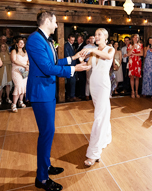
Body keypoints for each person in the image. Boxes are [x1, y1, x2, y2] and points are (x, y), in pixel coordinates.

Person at [27, 11, 90, 191]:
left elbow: (54, 61)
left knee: (49, 132)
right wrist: (74, 69)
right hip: (41, 93)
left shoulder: (44, 39)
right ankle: (42, 179)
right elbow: (47, 68)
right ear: (47, 21)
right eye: (55, 22)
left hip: (48, 91)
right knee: (47, 133)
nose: (56, 25)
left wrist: (73, 58)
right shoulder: (35, 40)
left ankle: (46, 166)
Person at [77, 28, 114, 167]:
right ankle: (106, 137)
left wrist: (91, 50)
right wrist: (79, 62)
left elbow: (109, 58)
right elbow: (88, 66)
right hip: (93, 86)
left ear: (105, 37)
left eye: (99, 34)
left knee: (99, 116)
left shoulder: (110, 49)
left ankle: (93, 153)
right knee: (104, 113)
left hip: (103, 86)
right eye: (95, 34)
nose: (96, 36)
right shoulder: (93, 52)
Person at [10, 38, 28, 112]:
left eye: (23, 43)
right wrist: (24, 65)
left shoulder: (26, 51)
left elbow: (28, 61)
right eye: (20, 43)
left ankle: (21, 101)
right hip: (16, 70)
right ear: (17, 44)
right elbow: (14, 60)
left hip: (25, 70)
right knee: (18, 86)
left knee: (24, 86)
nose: (22, 44)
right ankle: (13, 104)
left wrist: (28, 66)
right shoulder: (14, 51)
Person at [0, 36, 13, 105]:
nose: (3, 48)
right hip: (0, 71)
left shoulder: (9, 54)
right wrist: (5, 62)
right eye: (2, 47)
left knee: (8, 85)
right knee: (0, 85)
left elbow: (11, 62)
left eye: (4, 47)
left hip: (8, 71)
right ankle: (0, 99)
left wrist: (3, 62)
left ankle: (8, 97)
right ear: (0, 47)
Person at [127, 34, 143, 98]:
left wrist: (134, 54)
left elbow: (141, 54)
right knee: (132, 77)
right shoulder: (130, 45)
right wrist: (133, 48)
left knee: (137, 77)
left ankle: (137, 91)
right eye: (135, 37)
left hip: (138, 62)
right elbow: (128, 54)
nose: (136, 38)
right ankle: (132, 91)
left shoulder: (140, 45)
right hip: (131, 61)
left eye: (137, 37)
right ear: (132, 38)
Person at [64, 34, 78, 102]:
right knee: (72, 81)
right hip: (70, 66)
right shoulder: (66, 46)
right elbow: (68, 56)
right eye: (71, 40)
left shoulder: (71, 46)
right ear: (68, 39)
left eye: (73, 40)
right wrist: (73, 66)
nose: (72, 41)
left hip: (72, 65)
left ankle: (70, 95)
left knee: (71, 82)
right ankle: (71, 96)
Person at [84, 35, 98, 100]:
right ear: (89, 39)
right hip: (88, 64)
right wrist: (89, 55)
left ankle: (93, 95)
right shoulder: (86, 47)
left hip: (95, 64)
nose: (92, 40)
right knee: (88, 80)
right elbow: (82, 57)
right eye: (91, 38)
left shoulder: (96, 47)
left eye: (93, 38)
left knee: (95, 80)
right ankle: (87, 94)